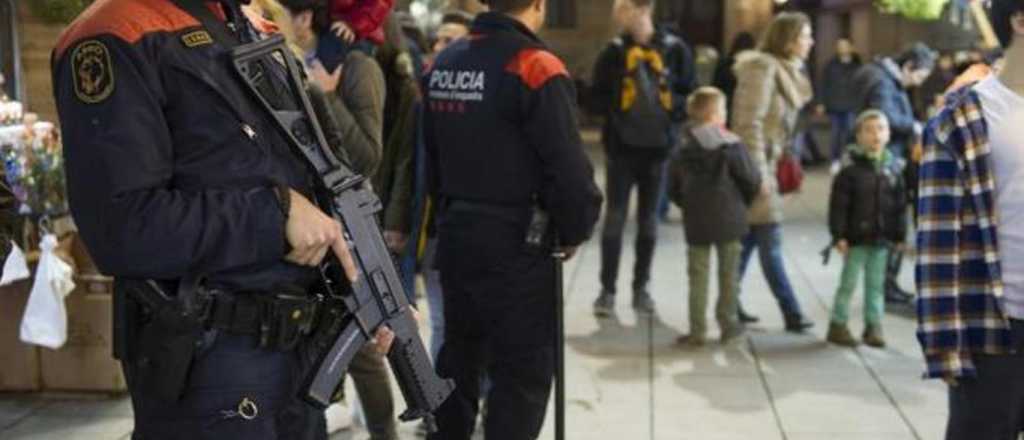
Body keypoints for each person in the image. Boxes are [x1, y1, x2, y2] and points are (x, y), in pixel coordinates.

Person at [52, 0, 395, 438]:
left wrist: (363, 285)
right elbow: (121, 227)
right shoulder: (116, 32)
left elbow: (315, 173)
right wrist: (273, 217)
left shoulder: (250, 25)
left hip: (297, 358)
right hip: (210, 364)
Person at [422, 0, 603, 438]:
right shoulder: (535, 66)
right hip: (517, 245)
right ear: (539, 5)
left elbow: (429, 155)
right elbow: (568, 168)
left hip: (456, 235)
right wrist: (575, 227)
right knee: (520, 375)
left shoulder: (445, 63)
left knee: (458, 359)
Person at [917, 1, 1024, 437]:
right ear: (1019, 21)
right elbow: (938, 239)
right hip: (993, 327)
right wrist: (943, 342)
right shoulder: (962, 118)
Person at [589, 0, 696, 317]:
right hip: (621, 149)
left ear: (643, 10)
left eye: (622, 11)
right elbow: (596, 98)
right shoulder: (613, 52)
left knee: (648, 222)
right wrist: (616, 99)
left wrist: (670, 112)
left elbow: (690, 92)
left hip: (658, 151)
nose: (618, 18)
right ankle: (607, 291)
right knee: (615, 220)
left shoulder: (674, 49)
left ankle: (641, 288)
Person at [731, 12, 815, 332]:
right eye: (805, 36)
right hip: (759, 166)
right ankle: (791, 311)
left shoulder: (788, 70)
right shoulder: (763, 68)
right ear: (788, 40)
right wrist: (758, 175)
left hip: (773, 163)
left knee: (752, 237)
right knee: (770, 239)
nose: (810, 42)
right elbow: (747, 124)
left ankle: (727, 303)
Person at [669, 87, 761, 347]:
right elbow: (751, 179)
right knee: (729, 275)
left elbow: (672, 186)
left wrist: (687, 204)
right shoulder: (732, 144)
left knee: (697, 276)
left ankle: (697, 330)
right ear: (714, 115)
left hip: (696, 220)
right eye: (723, 110)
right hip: (730, 218)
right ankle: (728, 325)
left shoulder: (683, 147)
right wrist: (742, 203)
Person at [852, 42, 936, 306]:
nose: (918, 82)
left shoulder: (881, 76)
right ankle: (886, 286)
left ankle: (887, 285)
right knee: (891, 223)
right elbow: (884, 117)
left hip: (889, 160)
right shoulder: (884, 83)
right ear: (908, 66)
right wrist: (914, 126)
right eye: (919, 76)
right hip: (890, 161)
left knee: (890, 223)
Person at [826, 110, 906, 349]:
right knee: (848, 284)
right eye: (869, 130)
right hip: (855, 240)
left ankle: (874, 326)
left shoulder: (893, 170)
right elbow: (838, 207)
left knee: (875, 286)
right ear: (858, 136)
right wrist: (838, 235)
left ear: (888, 134)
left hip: (880, 240)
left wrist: (900, 235)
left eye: (881, 129)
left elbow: (899, 206)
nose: (876, 135)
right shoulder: (849, 172)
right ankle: (838, 324)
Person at [820, 38, 863, 175]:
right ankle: (835, 160)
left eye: (844, 46)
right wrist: (821, 102)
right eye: (839, 46)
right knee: (835, 134)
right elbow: (823, 85)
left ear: (851, 47)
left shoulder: (857, 65)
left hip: (851, 105)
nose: (841, 48)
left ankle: (850, 158)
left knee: (851, 132)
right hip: (835, 104)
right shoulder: (830, 65)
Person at [712, 31, 756, 124]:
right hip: (744, 106)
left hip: (726, 104)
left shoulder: (725, 63)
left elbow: (716, 85)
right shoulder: (753, 66)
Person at [327, 0, 394, 46]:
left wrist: (352, 25)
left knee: (332, 44)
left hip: (362, 33)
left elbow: (379, 5)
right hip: (334, 18)